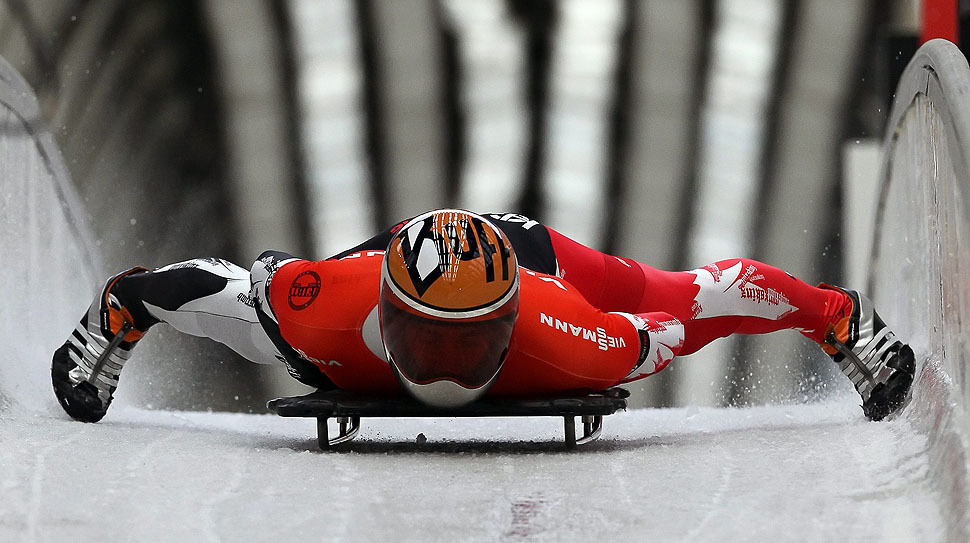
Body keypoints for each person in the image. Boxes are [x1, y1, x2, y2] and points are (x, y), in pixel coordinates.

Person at [51, 209, 915, 424]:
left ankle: (840, 319)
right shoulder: (315, 309)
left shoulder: (586, 343)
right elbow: (194, 287)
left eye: (469, 342)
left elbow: (705, 313)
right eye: (429, 336)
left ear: (508, 326)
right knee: (229, 306)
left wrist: (813, 311)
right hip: (393, 260)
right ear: (391, 314)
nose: (444, 364)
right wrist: (119, 311)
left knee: (683, 293)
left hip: (532, 258)